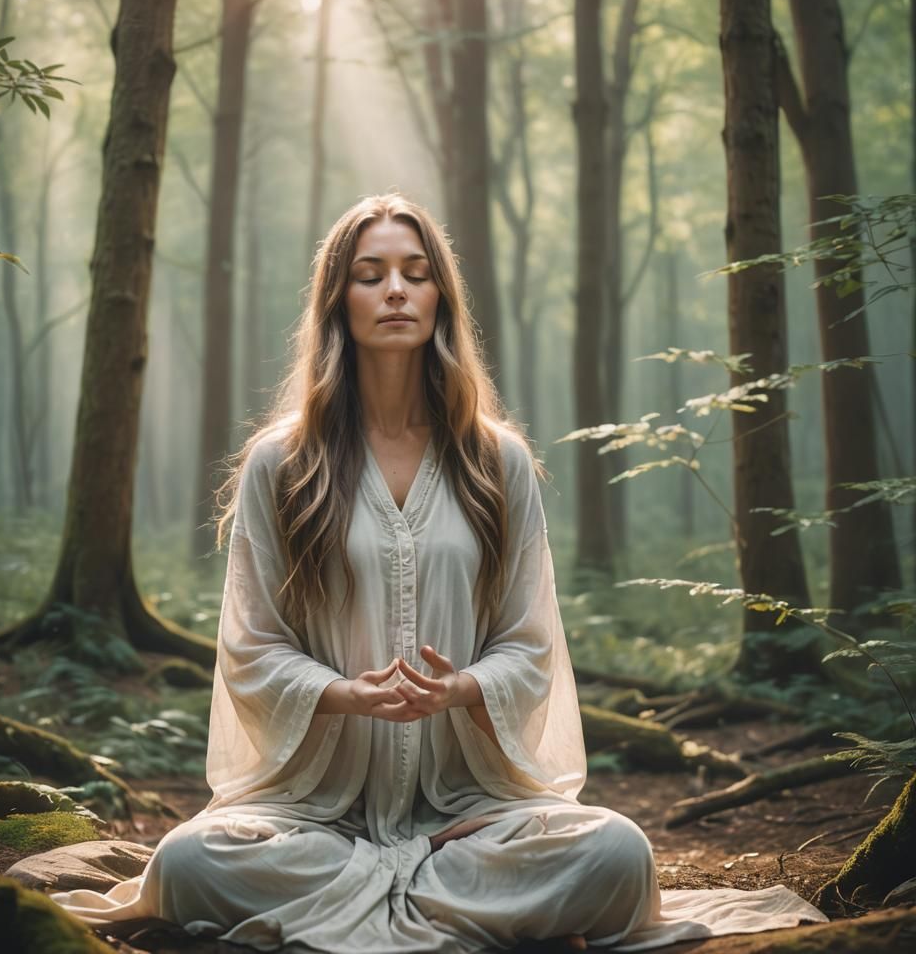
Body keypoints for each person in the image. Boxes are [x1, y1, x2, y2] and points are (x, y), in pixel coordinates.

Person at [51, 193, 827, 951]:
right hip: (315, 814)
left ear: (440, 297)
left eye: (415, 273)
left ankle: (380, 902)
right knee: (190, 861)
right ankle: (435, 904)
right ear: (337, 300)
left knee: (617, 853)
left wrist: (462, 688)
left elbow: (530, 645)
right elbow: (252, 648)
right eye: (370, 273)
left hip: (474, 813)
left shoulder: (498, 462)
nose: (395, 290)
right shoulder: (280, 464)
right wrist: (343, 694)